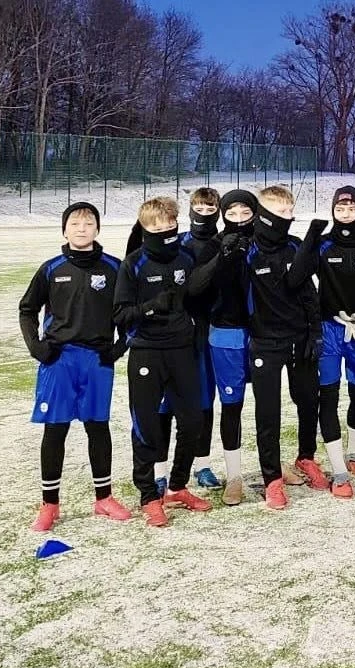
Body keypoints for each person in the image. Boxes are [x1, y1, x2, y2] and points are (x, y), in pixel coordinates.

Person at [20, 202, 131, 530]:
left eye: (88, 223)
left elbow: (129, 313)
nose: (82, 229)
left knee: (98, 427)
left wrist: (118, 348)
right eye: (75, 224)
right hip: (59, 360)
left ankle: (104, 498)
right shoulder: (51, 268)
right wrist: (37, 347)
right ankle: (49, 505)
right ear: (65, 229)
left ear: (97, 229)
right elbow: (27, 309)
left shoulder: (114, 268)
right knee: (56, 430)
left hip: (97, 360)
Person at [114, 197, 215, 526]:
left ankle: (177, 487)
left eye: (170, 224)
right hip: (146, 351)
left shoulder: (186, 257)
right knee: (146, 425)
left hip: (181, 349)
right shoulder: (133, 264)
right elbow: (120, 315)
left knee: (193, 422)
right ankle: (148, 496)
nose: (165, 230)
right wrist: (150, 307)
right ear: (145, 228)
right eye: (157, 226)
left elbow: (196, 297)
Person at [223, 185, 322, 510]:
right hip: (264, 343)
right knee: (268, 413)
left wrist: (315, 332)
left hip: (299, 339)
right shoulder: (247, 250)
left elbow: (307, 291)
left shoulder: (294, 246)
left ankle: (306, 457)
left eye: (290, 212)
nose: (287, 218)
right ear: (264, 215)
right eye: (281, 212)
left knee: (308, 400)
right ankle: (272, 480)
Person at [306, 186, 355, 498]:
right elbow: (299, 274)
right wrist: (311, 236)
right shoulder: (324, 244)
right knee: (329, 394)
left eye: (352, 207)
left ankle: (354, 452)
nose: (346, 212)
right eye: (340, 207)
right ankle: (338, 470)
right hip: (330, 329)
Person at [153, 187, 223, 494]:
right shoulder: (178, 243)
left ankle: (202, 465)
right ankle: (159, 470)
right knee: (166, 403)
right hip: (173, 333)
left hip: (207, 333)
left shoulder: (224, 243)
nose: (204, 215)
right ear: (190, 210)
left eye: (210, 210)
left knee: (204, 400)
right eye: (199, 209)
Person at [208, 189, 258, 505]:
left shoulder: (265, 242)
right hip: (226, 335)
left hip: (264, 336)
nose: (239, 219)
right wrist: (223, 257)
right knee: (232, 406)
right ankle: (235, 476)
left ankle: (273, 470)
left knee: (268, 406)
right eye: (232, 213)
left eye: (245, 212)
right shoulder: (214, 244)